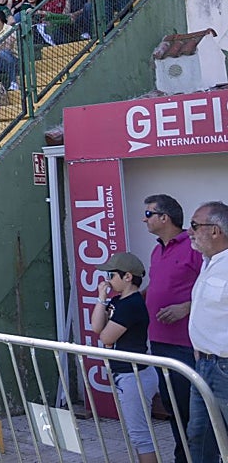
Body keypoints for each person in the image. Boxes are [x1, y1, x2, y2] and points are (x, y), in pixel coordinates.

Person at [143, 194, 204, 463]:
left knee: (192, 412)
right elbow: (158, 287)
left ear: (164, 217)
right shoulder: (157, 250)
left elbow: (213, 289)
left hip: (186, 345)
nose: (144, 219)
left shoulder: (194, 247)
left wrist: (185, 307)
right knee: (173, 408)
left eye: (148, 214)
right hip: (158, 342)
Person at [91, 252, 159, 463]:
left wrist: (107, 338)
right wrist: (101, 299)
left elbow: (106, 336)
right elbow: (96, 327)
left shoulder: (132, 305)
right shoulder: (118, 301)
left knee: (140, 436)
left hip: (134, 375)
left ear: (127, 277)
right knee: (137, 434)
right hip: (126, 374)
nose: (108, 280)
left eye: (112, 275)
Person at [186, 200, 228, 463]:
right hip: (204, 365)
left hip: (224, 367)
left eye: (194, 225)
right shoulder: (208, 262)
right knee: (200, 437)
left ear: (215, 230)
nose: (189, 232)